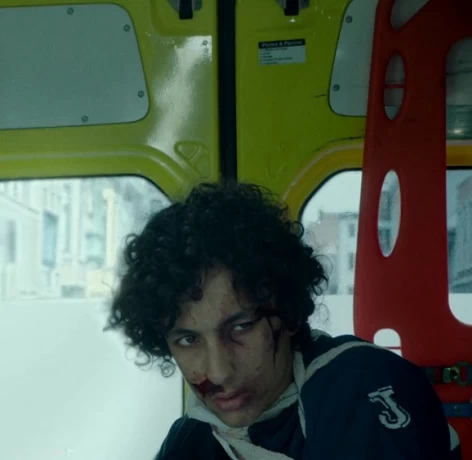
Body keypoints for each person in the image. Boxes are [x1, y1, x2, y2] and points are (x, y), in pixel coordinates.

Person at [106, 181, 462, 459]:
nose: (219, 372)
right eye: (188, 339)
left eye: (241, 327)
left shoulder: (360, 386)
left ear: (288, 313)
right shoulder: (192, 438)